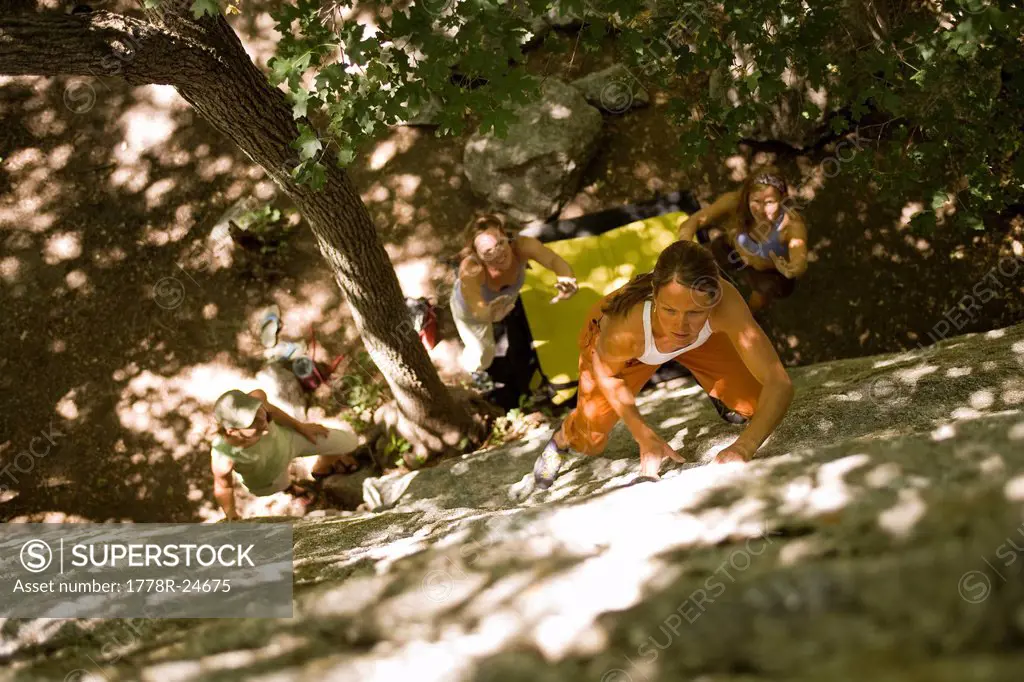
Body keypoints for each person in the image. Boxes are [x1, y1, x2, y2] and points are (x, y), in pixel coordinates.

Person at [528, 240, 794, 491]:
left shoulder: (726, 305)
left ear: (713, 300)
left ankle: (718, 387)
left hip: (701, 341)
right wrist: (643, 435)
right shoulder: (625, 325)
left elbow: (777, 381)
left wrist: (743, 448)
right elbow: (608, 376)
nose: (680, 325)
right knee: (590, 439)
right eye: (670, 310)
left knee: (756, 404)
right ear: (655, 295)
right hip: (629, 350)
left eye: (695, 312)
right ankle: (562, 438)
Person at [450, 214, 579, 389]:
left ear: (506, 236)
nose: (499, 254)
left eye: (500, 243)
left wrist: (567, 279)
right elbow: (476, 307)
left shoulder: (522, 246)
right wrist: (489, 315)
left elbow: (553, 260)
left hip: (504, 302)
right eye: (488, 252)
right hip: (471, 312)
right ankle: (475, 370)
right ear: (477, 256)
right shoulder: (472, 270)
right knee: (483, 353)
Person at [210, 389, 360, 520]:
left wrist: (301, 427)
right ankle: (291, 489)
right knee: (281, 485)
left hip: (289, 441)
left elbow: (273, 411)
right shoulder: (224, 457)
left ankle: (321, 467)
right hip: (268, 475)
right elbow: (224, 488)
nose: (263, 421)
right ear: (232, 431)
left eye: (259, 412)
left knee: (349, 442)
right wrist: (232, 516)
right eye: (252, 422)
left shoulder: (257, 399)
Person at [677, 167, 808, 313]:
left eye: (770, 202)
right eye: (756, 201)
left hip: (766, 272)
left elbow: (799, 259)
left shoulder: (791, 225)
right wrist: (686, 245)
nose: (762, 210)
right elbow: (693, 221)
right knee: (712, 251)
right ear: (747, 196)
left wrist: (791, 269)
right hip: (735, 251)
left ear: (783, 198)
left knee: (763, 291)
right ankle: (706, 287)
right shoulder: (734, 202)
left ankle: (748, 315)